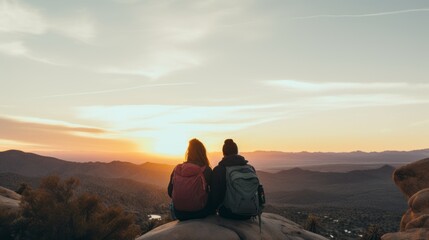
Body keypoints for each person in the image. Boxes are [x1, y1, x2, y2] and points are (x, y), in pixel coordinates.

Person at [211, 139, 262, 220]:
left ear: (223, 153)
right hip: (250, 212)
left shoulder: (219, 170)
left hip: (228, 213)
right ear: (237, 151)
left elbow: (215, 196)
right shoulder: (250, 168)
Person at [167, 138, 213, 220]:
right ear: (203, 153)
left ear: (188, 153)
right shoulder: (206, 170)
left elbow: (170, 192)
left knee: (171, 205)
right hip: (200, 212)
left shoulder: (177, 169)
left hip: (179, 213)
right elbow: (214, 194)